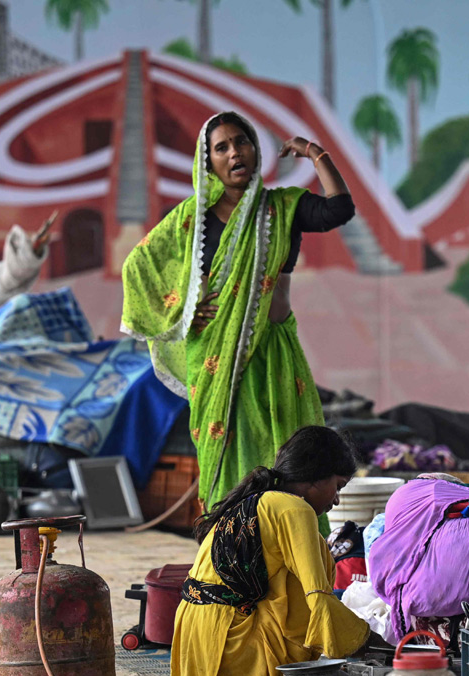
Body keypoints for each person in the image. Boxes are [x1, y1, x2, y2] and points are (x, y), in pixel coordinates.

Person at [122, 111, 355, 508]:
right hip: (214, 355)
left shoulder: (282, 208)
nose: (234, 153)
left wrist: (316, 154)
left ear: (255, 150)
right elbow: (138, 267)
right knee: (226, 451)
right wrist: (184, 314)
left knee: (287, 450)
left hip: (274, 352)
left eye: (242, 142)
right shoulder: (191, 219)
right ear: (206, 161)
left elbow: (339, 209)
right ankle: (229, 544)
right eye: (221, 147)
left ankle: (286, 543)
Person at [170, 426, 370, 676]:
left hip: (195, 651)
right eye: (338, 487)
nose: (336, 499)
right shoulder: (294, 509)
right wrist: (372, 644)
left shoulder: (256, 499)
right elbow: (319, 598)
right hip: (228, 652)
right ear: (314, 477)